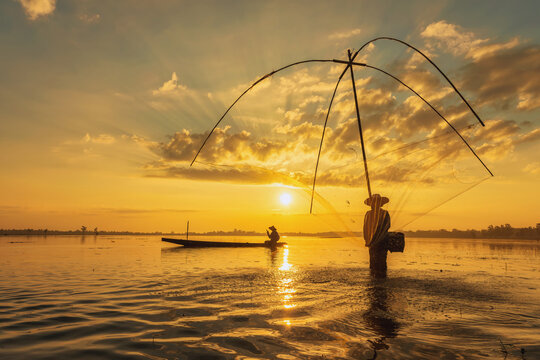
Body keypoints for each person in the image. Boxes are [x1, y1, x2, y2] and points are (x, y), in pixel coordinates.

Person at [363, 194, 391, 277]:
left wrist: (368, 239)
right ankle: (377, 280)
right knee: (376, 262)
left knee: (379, 262)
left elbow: (387, 225)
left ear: (380, 204)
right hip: (375, 241)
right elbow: (366, 227)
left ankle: (379, 280)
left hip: (379, 241)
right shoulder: (369, 214)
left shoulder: (384, 213)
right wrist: (367, 239)